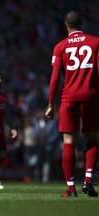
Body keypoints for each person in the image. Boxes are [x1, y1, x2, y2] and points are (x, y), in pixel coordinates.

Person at [45, 11, 99, 197]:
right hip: (91, 96)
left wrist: (51, 103)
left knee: (68, 141)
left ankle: (71, 188)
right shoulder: (95, 42)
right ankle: (89, 180)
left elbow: (54, 79)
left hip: (69, 97)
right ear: (81, 24)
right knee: (92, 137)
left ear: (66, 25)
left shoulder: (60, 47)